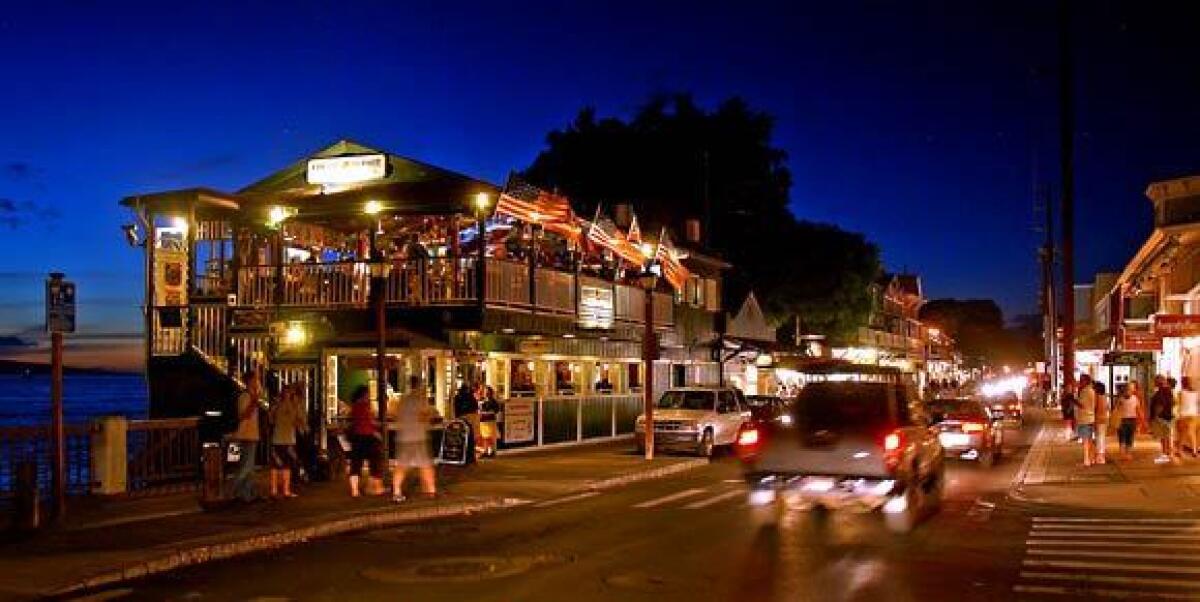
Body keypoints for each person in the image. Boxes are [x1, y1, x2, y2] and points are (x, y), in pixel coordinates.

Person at [391, 376, 436, 502]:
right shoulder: (420, 400)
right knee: (426, 465)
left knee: (401, 466)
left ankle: (396, 491)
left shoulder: (403, 400)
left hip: (404, 437)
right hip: (418, 436)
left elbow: (397, 416)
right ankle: (431, 490)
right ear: (420, 386)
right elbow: (425, 417)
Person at [269, 382, 308, 499]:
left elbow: (299, 421)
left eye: (290, 392)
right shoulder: (278, 405)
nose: (289, 394)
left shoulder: (292, 405)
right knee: (277, 466)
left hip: (287, 439)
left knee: (286, 466)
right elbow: (271, 419)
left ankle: (284, 490)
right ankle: (275, 491)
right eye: (287, 391)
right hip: (279, 439)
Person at [232, 368, 264, 502]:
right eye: (255, 379)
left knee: (250, 468)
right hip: (245, 435)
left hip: (252, 434)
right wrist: (254, 401)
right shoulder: (245, 396)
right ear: (250, 381)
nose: (257, 381)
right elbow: (244, 415)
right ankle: (235, 490)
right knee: (246, 466)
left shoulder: (252, 396)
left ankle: (248, 494)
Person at [347, 385, 384, 497]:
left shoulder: (354, 407)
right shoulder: (365, 406)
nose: (369, 396)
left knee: (355, 465)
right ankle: (375, 488)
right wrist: (377, 430)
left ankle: (355, 491)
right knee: (374, 463)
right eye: (368, 394)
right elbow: (369, 422)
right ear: (364, 394)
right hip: (368, 438)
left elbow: (355, 421)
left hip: (357, 438)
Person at [1149, 376, 1179, 465]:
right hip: (1168, 416)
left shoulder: (1161, 392)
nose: (1154, 383)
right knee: (1167, 435)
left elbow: (1160, 405)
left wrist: (1155, 416)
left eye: (1155, 381)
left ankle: (1165, 454)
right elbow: (1173, 402)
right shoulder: (1169, 391)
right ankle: (1168, 453)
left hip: (1161, 417)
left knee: (1163, 436)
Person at [453, 383, 480, 461]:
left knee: (463, 437)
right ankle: (470, 455)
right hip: (471, 417)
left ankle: (462, 455)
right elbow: (475, 407)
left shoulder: (458, 397)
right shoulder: (470, 397)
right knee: (471, 437)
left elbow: (456, 409)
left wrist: (457, 418)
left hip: (462, 417)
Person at [1075, 375, 1097, 466]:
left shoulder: (1085, 391)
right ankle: (1091, 458)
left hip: (1085, 418)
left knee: (1086, 440)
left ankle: (1086, 460)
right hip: (1090, 417)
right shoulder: (1092, 391)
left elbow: (1082, 405)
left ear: (1086, 381)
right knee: (1090, 439)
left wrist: (1073, 400)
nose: (1080, 382)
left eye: (1081, 380)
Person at [1116, 383, 1142, 461]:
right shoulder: (1135, 398)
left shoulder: (1121, 399)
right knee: (1129, 438)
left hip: (1124, 420)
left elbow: (1117, 409)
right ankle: (1128, 454)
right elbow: (1139, 410)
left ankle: (1123, 454)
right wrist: (1141, 421)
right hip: (1129, 420)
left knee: (1123, 438)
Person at [1179, 377, 1200, 458]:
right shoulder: (1196, 393)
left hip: (1184, 415)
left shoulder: (1181, 393)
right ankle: (1194, 450)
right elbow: (1197, 403)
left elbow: (1180, 403)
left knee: (1182, 434)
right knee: (1192, 433)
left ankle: (1181, 451)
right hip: (1195, 415)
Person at [479, 386, 501, 458]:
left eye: (487, 392)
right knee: (485, 437)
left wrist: (487, 413)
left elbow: (496, 411)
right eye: (485, 392)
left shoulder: (493, 401)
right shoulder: (482, 400)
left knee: (490, 437)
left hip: (490, 421)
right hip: (483, 421)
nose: (486, 393)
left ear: (490, 393)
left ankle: (492, 451)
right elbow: (479, 409)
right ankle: (485, 451)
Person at [1093, 379, 1109, 465]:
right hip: (1104, 419)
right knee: (1102, 437)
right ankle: (1101, 456)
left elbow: (1095, 408)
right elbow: (1107, 408)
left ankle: (1100, 456)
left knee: (1099, 438)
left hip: (1098, 419)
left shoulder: (1097, 397)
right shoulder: (1105, 397)